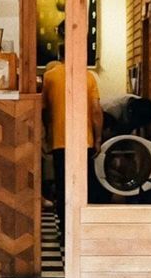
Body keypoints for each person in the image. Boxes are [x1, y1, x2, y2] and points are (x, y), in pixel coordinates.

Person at [42, 42, 104, 245]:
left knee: (62, 186)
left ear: (59, 54)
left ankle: (66, 233)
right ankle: (84, 231)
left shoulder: (50, 76)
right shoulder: (88, 77)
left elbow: (44, 110)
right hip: (83, 141)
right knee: (84, 186)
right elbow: (96, 111)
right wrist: (97, 139)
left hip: (60, 141)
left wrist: (46, 136)